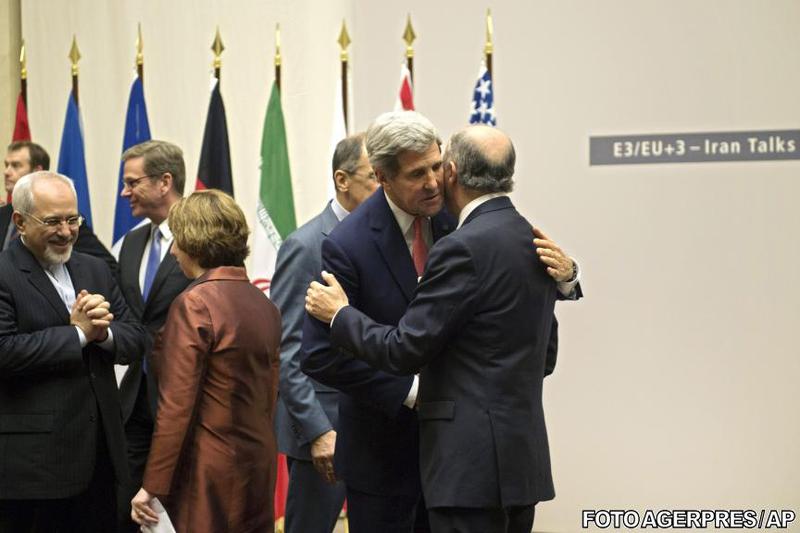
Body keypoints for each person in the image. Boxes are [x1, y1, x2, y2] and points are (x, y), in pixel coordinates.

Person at [301, 111, 581, 533]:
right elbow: (320, 355)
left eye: (437, 166)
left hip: (467, 462)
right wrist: (413, 393)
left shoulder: (464, 220)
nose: (433, 182)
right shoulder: (347, 244)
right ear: (382, 176)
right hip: (386, 461)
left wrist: (570, 279)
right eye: (417, 174)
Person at [0, 171, 146, 532]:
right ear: (20, 221)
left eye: (72, 219)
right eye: (52, 221)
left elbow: (136, 337)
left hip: (101, 455)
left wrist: (102, 334)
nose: (66, 232)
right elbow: (4, 351)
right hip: (34, 467)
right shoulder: (4, 273)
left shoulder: (93, 268)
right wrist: (77, 334)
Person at [131, 190, 281, 533]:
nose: (172, 250)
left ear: (194, 242)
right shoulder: (264, 305)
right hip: (257, 464)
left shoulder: (195, 304)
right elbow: (270, 395)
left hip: (207, 470)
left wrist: (152, 486)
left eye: (178, 240)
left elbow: (175, 407)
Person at [272, 133, 377, 533]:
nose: (382, 187)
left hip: (375, 417)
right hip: (324, 424)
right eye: (373, 177)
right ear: (342, 179)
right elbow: (287, 348)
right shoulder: (305, 245)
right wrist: (317, 430)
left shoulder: (388, 238)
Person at [115, 140, 192, 532]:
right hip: (134, 400)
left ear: (165, 182)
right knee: (129, 507)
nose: (124, 192)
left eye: (132, 182)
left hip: (185, 399)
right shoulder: (129, 243)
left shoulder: (200, 237)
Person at [2, 141, 118, 273]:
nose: (6, 172)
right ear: (19, 221)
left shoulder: (66, 221)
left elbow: (107, 267)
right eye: (6, 165)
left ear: (37, 171)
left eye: (15, 166)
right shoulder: (3, 214)